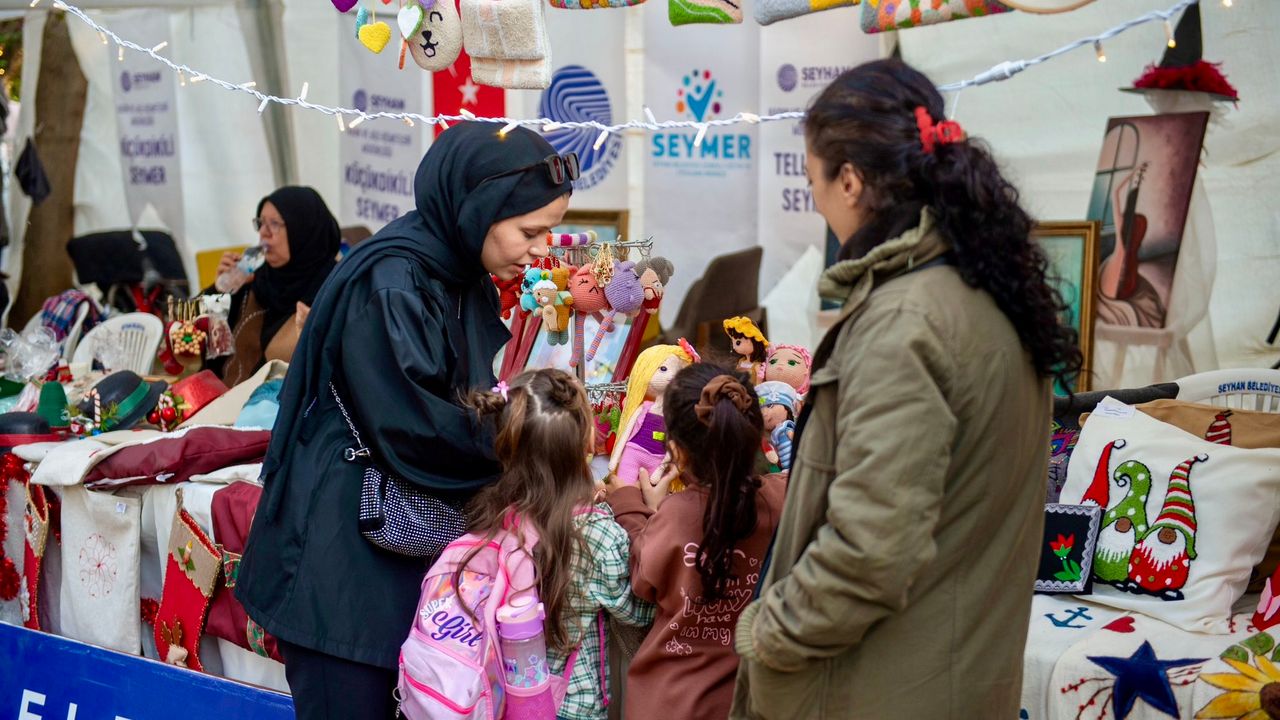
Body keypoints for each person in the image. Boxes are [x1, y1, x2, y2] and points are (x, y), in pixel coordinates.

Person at [730, 59, 1082, 719]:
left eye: (813, 181)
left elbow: (869, 550)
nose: (817, 203)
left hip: (881, 690)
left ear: (850, 181)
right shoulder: (985, 291)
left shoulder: (905, 322)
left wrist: (766, 632)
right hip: (949, 679)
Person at [234, 123, 577, 719]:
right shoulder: (393, 284)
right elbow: (419, 428)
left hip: (385, 555)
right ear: (477, 209)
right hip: (341, 570)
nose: (540, 248)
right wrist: (532, 439)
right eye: (530, 231)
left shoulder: (451, 270)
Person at [463, 369, 654, 720]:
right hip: (570, 703)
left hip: (499, 694)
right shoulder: (595, 532)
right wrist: (641, 510)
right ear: (585, 445)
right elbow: (640, 611)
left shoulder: (493, 512)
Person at [609, 363, 786, 720]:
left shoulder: (675, 516)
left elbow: (644, 580)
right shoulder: (784, 497)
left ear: (676, 450)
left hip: (671, 701)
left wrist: (632, 504)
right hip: (760, 697)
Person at [208, 186, 339, 386]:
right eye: (261, 223)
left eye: (274, 224)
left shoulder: (332, 294)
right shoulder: (255, 279)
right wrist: (218, 295)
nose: (263, 233)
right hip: (226, 399)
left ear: (302, 231)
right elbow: (212, 352)